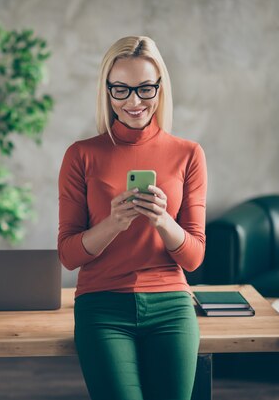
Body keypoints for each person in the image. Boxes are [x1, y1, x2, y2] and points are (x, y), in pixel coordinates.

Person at [57, 35, 207, 400]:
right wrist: (113, 224)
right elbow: (68, 255)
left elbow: (194, 257)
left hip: (171, 305)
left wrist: (162, 221)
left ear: (160, 88)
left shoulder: (188, 154)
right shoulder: (81, 156)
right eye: (121, 89)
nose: (134, 102)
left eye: (144, 89)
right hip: (102, 306)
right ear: (106, 91)